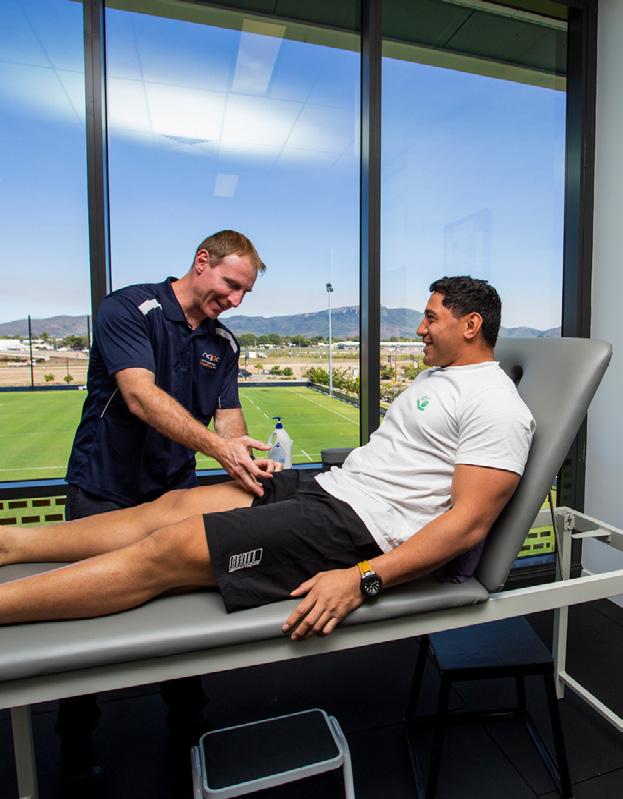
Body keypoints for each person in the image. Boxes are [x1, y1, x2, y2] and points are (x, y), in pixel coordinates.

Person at [0, 276, 535, 639]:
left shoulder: (497, 405)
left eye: (431, 318)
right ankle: (13, 543)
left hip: (363, 529)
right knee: (172, 507)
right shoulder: (438, 377)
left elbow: (467, 525)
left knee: (170, 548)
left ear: (470, 325)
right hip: (330, 490)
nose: (420, 329)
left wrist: (363, 578)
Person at [59, 230, 276, 782]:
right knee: (86, 614)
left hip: (173, 492)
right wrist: (220, 449)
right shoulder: (129, 309)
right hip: (105, 489)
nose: (235, 300)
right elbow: (140, 396)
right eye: (231, 284)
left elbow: (228, 418)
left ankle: (189, 726)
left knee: (183, 608)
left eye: (245, 292)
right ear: (202, 262)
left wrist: (243, 459)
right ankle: (75, 745)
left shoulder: (223, 343)